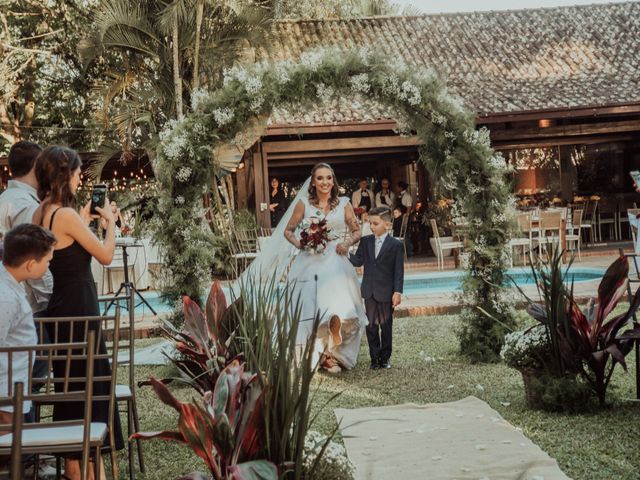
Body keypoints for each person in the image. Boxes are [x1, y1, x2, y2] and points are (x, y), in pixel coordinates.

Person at [32, 146, 123, 480]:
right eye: (76, 171)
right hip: (81, 306)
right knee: (92, 389)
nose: (80, 176)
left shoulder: (41, 213)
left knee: (71, 391)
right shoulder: (65, 215)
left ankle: (78, 469)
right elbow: (106, 256)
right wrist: (110, 223)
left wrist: (84, 221)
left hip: (60, 305)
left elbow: (63, 251)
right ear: (63, 175)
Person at [283, 163, 367, 372]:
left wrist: (347, 244)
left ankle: (332, 353)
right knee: (311, 308)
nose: (325, 182)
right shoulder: (304, 204)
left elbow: (357, 231)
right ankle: (316, 354)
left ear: (333, 180)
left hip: (336, 260)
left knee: (340, 306)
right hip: (309, 263)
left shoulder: (344, 203)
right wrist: (301, 244)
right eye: (320, 178)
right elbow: (288, 231)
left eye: (328, 178)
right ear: (313, 182)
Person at [0, 224, 56, 430]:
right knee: (9, 453)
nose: (49, 267)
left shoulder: (11, 285)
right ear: (31, 264)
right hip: (5, 396)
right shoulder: (6, 298)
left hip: (14, 389)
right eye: (47, 262)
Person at [0, 141, 52, 315]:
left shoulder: (7, 198)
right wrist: (50, 299)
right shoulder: (23, 204)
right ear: (36, 165)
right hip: (27, 305)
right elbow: (33, 256)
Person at [349, 206, 404, 370]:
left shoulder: (395, 245)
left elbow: (398, 271)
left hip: (387, 292)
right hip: (369, 291)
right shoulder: (365, 242)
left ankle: (385, 358)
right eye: (370, 223)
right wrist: (344, 253)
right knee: (371, 326)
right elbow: (358, 261)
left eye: (375, 223)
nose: (371, 227)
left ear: (387, 225)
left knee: (386, 326)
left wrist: (397, 291)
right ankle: (374, 358)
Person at [397, 181, 414, 257]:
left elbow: (409, 209)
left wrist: (405, 219)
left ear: (400, 188)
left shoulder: (407, 196)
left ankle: (409, 251)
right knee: (402, 234)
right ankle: (404, 251)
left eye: (398, 187)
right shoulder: (401, 195)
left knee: (406, 234)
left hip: (405, 218)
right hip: (400, 218)